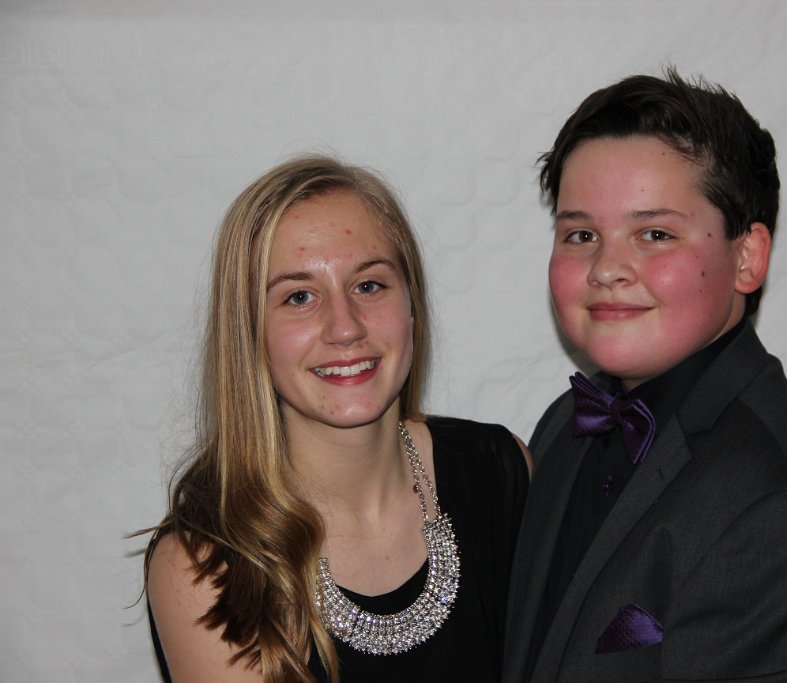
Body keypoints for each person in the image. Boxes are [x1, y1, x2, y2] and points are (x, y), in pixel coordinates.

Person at [503, 69, 787, 682]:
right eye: (581, 234)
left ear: (747, 257)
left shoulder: (786, 508)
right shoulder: (564, 423)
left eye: (654, 234)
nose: (606, 268)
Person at [144, 155, 530, 683]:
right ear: (248, 333)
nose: (345, 327)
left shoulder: (502, 471)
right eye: (299, 296)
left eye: (368, 285)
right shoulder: (202, 565)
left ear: (412, 305)